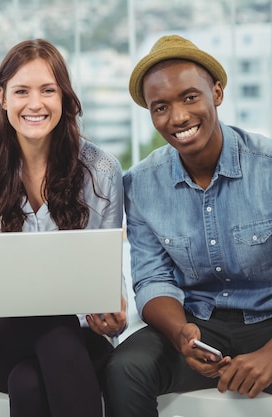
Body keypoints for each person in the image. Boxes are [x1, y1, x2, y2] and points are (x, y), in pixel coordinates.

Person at [0, 38, 128, 417]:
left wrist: (113, 310)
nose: (35, 104)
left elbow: (108, 278)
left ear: (64, 97)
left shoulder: (102, 170)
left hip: (80, 338)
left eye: (48, 90)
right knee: (54, 321)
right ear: (2, 97)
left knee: (29, 381)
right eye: (21, 91)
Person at [102, 34, 272, 417]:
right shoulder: (141, 183)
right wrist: (181, 334)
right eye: (160, 107)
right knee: (124, 369)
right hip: (197, 324)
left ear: (217, 93)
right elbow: (151, 279)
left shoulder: (267, 167)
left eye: (190, 97)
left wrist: (269, 355)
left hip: (269, 325)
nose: (177, 117)